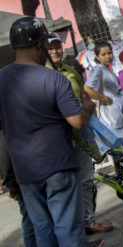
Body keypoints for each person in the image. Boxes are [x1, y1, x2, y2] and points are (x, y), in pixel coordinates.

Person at [0, 17, 95, 247]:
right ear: (38, 44)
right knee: (68, 229)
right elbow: (77, 122)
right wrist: (88, 108)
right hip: (58, 165)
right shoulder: (54, 78)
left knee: (42, 228)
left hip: (24, 170)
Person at [46, 33, 113, 236]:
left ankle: (88, 221)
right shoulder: (44, 75)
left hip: (82, 133)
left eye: (58, 46)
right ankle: (70, 228)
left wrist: (90, 111)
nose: (56, 51)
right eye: (51, 48)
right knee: (66, 184)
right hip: (61, 137)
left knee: (86, 180)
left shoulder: (70, 71)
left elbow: (84, 95)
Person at [84, 41, 123, 148]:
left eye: (109, 53)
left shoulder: (107, 70)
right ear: (97, 56)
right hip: (110, 120)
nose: (108, 57)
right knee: (121, 152)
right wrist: (104, 98)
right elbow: (87, 89)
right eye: (103, 54)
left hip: (117, 117)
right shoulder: (97, 70)